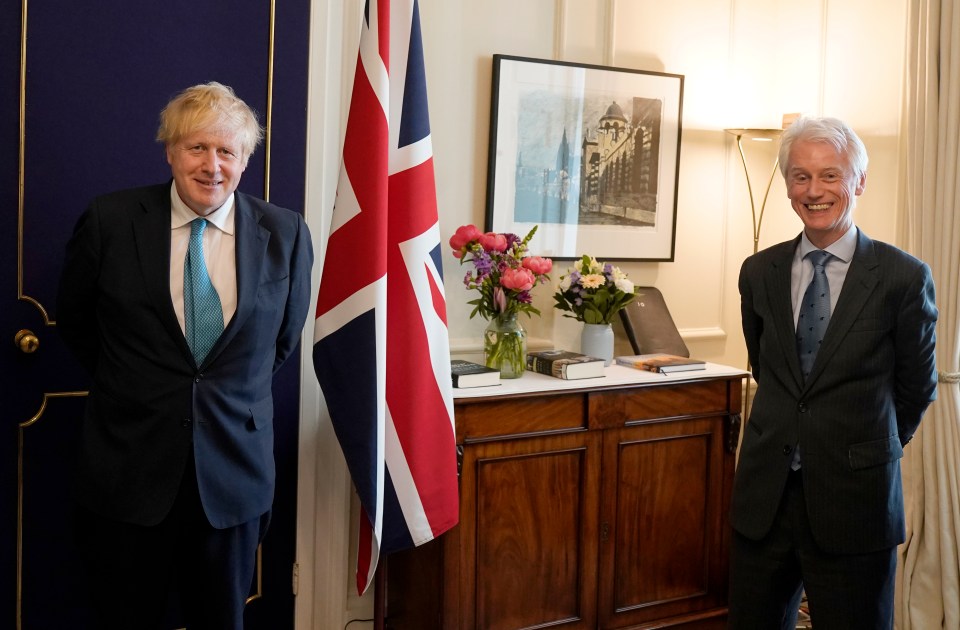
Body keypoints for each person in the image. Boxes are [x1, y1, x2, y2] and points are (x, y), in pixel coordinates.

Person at [57, 82, 313, 629]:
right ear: (170, 150)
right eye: (197, 147)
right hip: (129, 468)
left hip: (233, 474)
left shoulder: (284, 232)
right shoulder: (110, 220)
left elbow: (281, 342)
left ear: (245, 160)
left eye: (228, 151)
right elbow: (77, 325)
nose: (212, 165)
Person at [730, 116, 938, 628]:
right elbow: (766, 368)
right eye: (801, 176)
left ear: (859, 181)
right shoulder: (759, 271)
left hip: (855, 503)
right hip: (766, 499)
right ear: (787, 187)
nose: (814, 190)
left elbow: (916, 387)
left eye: (830, 175)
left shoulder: (902, 277)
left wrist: (867, 446)